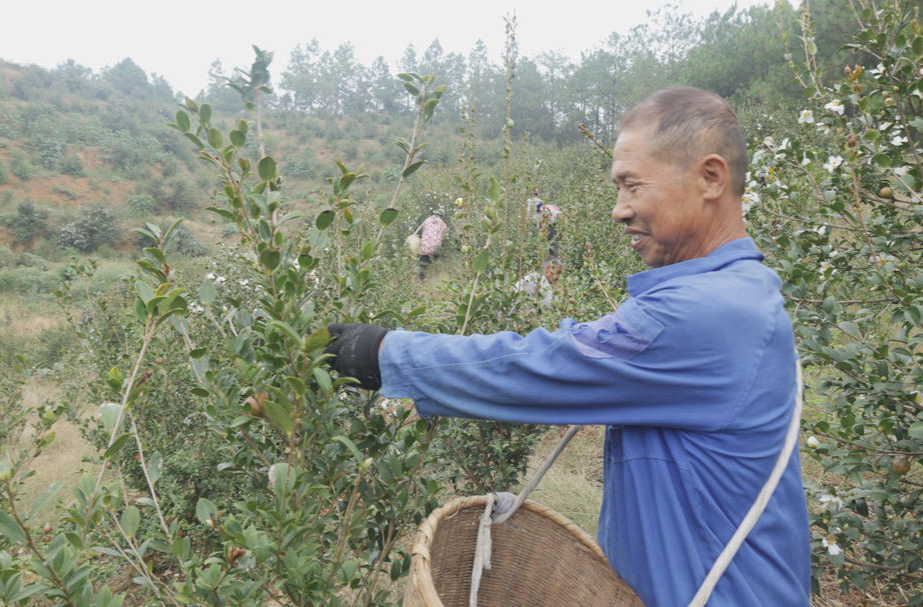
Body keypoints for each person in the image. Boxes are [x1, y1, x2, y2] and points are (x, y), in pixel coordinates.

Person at [325, 86, 811, 606]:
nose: (618, 211)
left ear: (710, 178)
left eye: (631, 186)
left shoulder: (705, 313)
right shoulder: (736, 292)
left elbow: (541, 366)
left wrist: (379, 352)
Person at [417, 209, 447, 280]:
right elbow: (444, 234)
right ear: (442, 216)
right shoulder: (443, 224)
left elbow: (423, 230)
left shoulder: (427, 220)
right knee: (434, 262)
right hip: (435, 248)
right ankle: (433, 277)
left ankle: (422, 278)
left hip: (425, 246)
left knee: (423, 263)